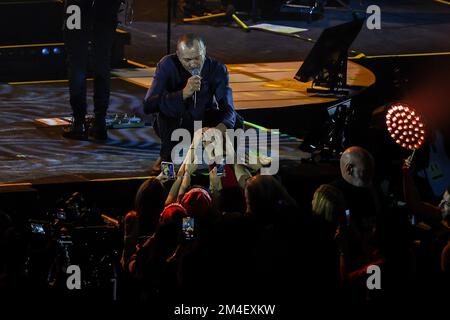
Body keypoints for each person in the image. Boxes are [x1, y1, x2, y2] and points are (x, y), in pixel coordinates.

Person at [142, 33, 242, 173]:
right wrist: (183, 94)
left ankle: (226, 162)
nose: (193, 64)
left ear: (204, 51)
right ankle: (166, 157)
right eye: (187, 60)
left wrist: (219, 129)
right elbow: (148, 105)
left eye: (197, 58)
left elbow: (228, 107)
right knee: (165, 113)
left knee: (236, 120)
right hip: (178, 121)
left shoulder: (217, 69)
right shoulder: (167, 65)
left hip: (203, 120)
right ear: (178, 55)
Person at [62, 0, 122, 141]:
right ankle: (100, 123)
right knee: (102, 61)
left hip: (76, 5)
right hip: (106, 6)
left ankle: (79, 122)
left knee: (77, 60)